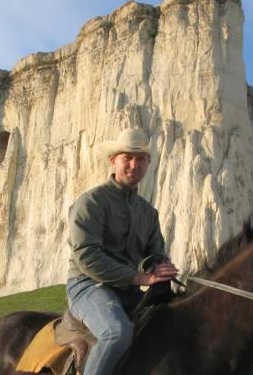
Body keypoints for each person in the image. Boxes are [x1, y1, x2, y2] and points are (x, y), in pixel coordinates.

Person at [66, 128, 179, 375]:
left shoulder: (149, 214)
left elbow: (155, 255)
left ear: (148, 164)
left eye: (140, 159)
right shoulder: (92, 202)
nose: (133, 164)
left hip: (128, 292)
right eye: (127, 157)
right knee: (116, 333)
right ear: (113, 161)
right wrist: (139, 278)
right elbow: (86, 255)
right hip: (87, 285)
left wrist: (162, 269)